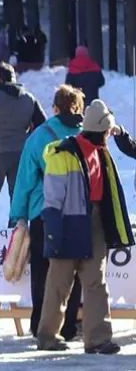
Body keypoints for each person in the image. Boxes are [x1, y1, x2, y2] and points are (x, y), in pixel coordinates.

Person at [33, 99, 134, 354]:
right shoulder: (63, 153)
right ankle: (47, 336)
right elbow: (53, 196)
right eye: (107, 132)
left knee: (96, 282)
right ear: (98, 131)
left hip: (95, 222)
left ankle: (98, 339)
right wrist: (53, 228)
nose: (109, 137)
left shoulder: (101, 151)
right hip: (67, 221)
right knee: (59, 282)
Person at [9, 84, 85, 343]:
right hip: (79, 212)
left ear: (54, 107)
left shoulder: (39, 136)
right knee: (74, 269)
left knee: (42, 269)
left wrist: (17, 213)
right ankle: (69, 325)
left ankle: (41, 325)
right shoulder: (86, 135)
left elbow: (25, 179)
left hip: (43, 211)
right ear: (78, 107)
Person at [0, 63, 46, 228]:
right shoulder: (29, 99)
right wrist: (28, 137)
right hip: (21, 155)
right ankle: (15, 235)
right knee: (18, 198)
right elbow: (42, 124)